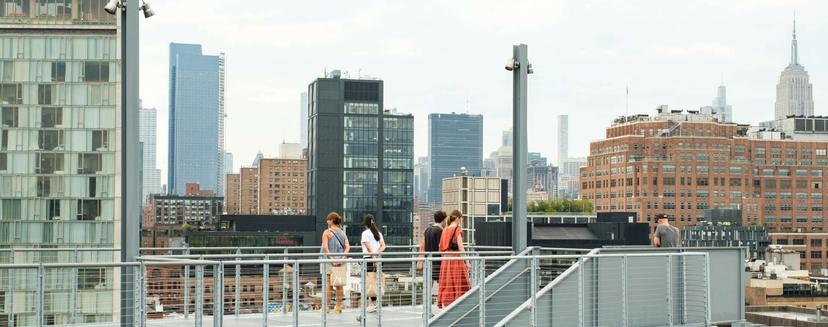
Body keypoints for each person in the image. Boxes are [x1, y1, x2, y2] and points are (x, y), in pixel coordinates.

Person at [437, 210, 471, 308]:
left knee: (447, 282)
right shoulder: (457, 229)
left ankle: (446, 303)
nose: (461, 221)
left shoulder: (445, 230)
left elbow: (440, 247)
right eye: (461, 219)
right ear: (457, 218)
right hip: (455, 259)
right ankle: (459, 304)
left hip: (446, 260)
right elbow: (461, 247)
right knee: (459, 281)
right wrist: (467, 262)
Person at [320, 212, 350, 313]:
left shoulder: (327, 232)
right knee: (339, 284)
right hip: (341, 262)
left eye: (328, 219)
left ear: (332, 220)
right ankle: (338, 307)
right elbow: (348, 247)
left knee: (327, 282)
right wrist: (342, 258)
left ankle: (326, 307)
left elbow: (325, 247)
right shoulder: (342, 232)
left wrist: (331, 259)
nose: (327, 221)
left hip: (328, 261)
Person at [417, 210, 446, 307]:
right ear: (443, 220)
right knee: (443, 284)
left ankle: (426, 306)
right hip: (438, 262)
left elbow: (422, 245)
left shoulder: (428, 230)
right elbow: (441, 246)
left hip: (428, 261)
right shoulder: (440, 231)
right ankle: (443, 304)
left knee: (429, 285)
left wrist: (420, 260)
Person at [360, 214, 386, 313]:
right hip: (379, 260)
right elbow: (383, 246)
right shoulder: (378, 233)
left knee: (370, 281)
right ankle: (375, 304)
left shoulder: (365, 233)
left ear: (365, 223)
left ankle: (373, 304)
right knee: (376, 281)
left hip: (369, 260)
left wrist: (373, 256)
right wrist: (378, 253)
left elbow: (368, 247)